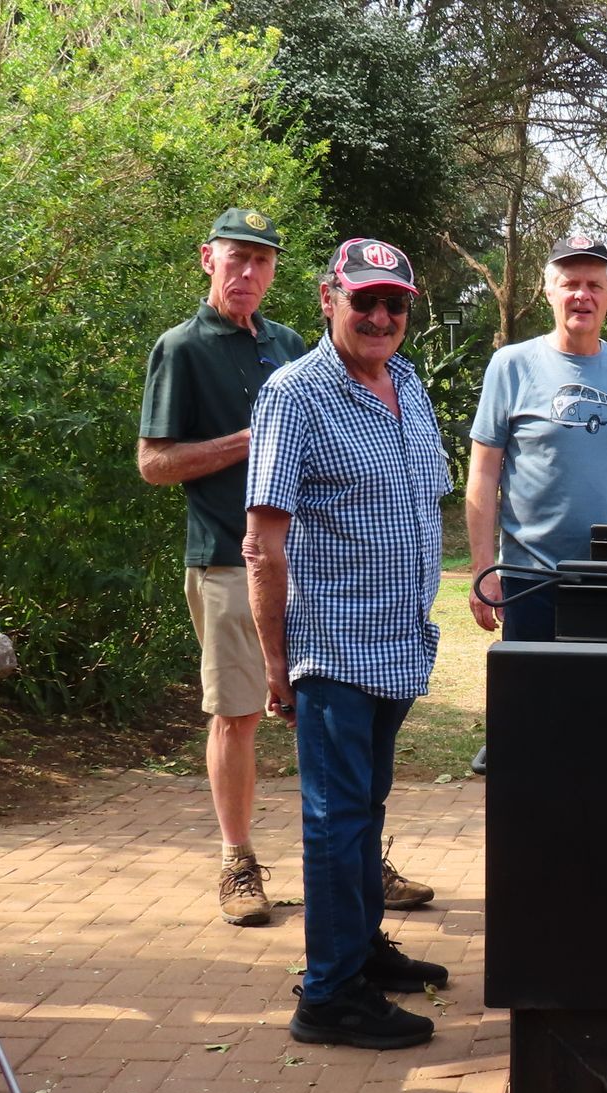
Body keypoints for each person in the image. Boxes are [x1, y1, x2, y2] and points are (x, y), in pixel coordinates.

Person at [244, 238, 453, 1051]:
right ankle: (328, 996)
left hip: (400, 642)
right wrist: (275, 660)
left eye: (394, 303)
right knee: (334, 820)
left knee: (365, 810)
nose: (379, 316)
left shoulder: (405, 380)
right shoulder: (293, 395)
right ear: (328, 297)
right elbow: (263, 541)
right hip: (332, 648)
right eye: (363, 299)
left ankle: (360, 951)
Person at [138, 208, 306, 928]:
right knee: (238, 717)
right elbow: (153, 464)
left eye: (261, 262)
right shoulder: (180, 348)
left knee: (334, 709)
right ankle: (239, 863)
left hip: (311, 561)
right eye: (235, 258)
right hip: (227, 562)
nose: (247, 274)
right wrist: (245, 441)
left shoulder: (292, 345)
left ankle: (354, 853)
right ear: (207, 259)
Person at [464, 235, 607, 774]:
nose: (582, 294)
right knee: (533, 732)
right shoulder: (511, 365)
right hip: (532, 579)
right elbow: (483, 473)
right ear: (548, 290)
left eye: (593, 284)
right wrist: (484, 569)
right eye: (570, 283)